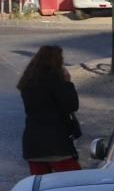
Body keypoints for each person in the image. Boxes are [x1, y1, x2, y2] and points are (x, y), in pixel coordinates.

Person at [18, 45, 81, 175]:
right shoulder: (53, 78)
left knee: (40, 187)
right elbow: (72, 105)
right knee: (75, 182)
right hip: (55, 142)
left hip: (32, 143)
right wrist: (68, 83)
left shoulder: (28, 80)